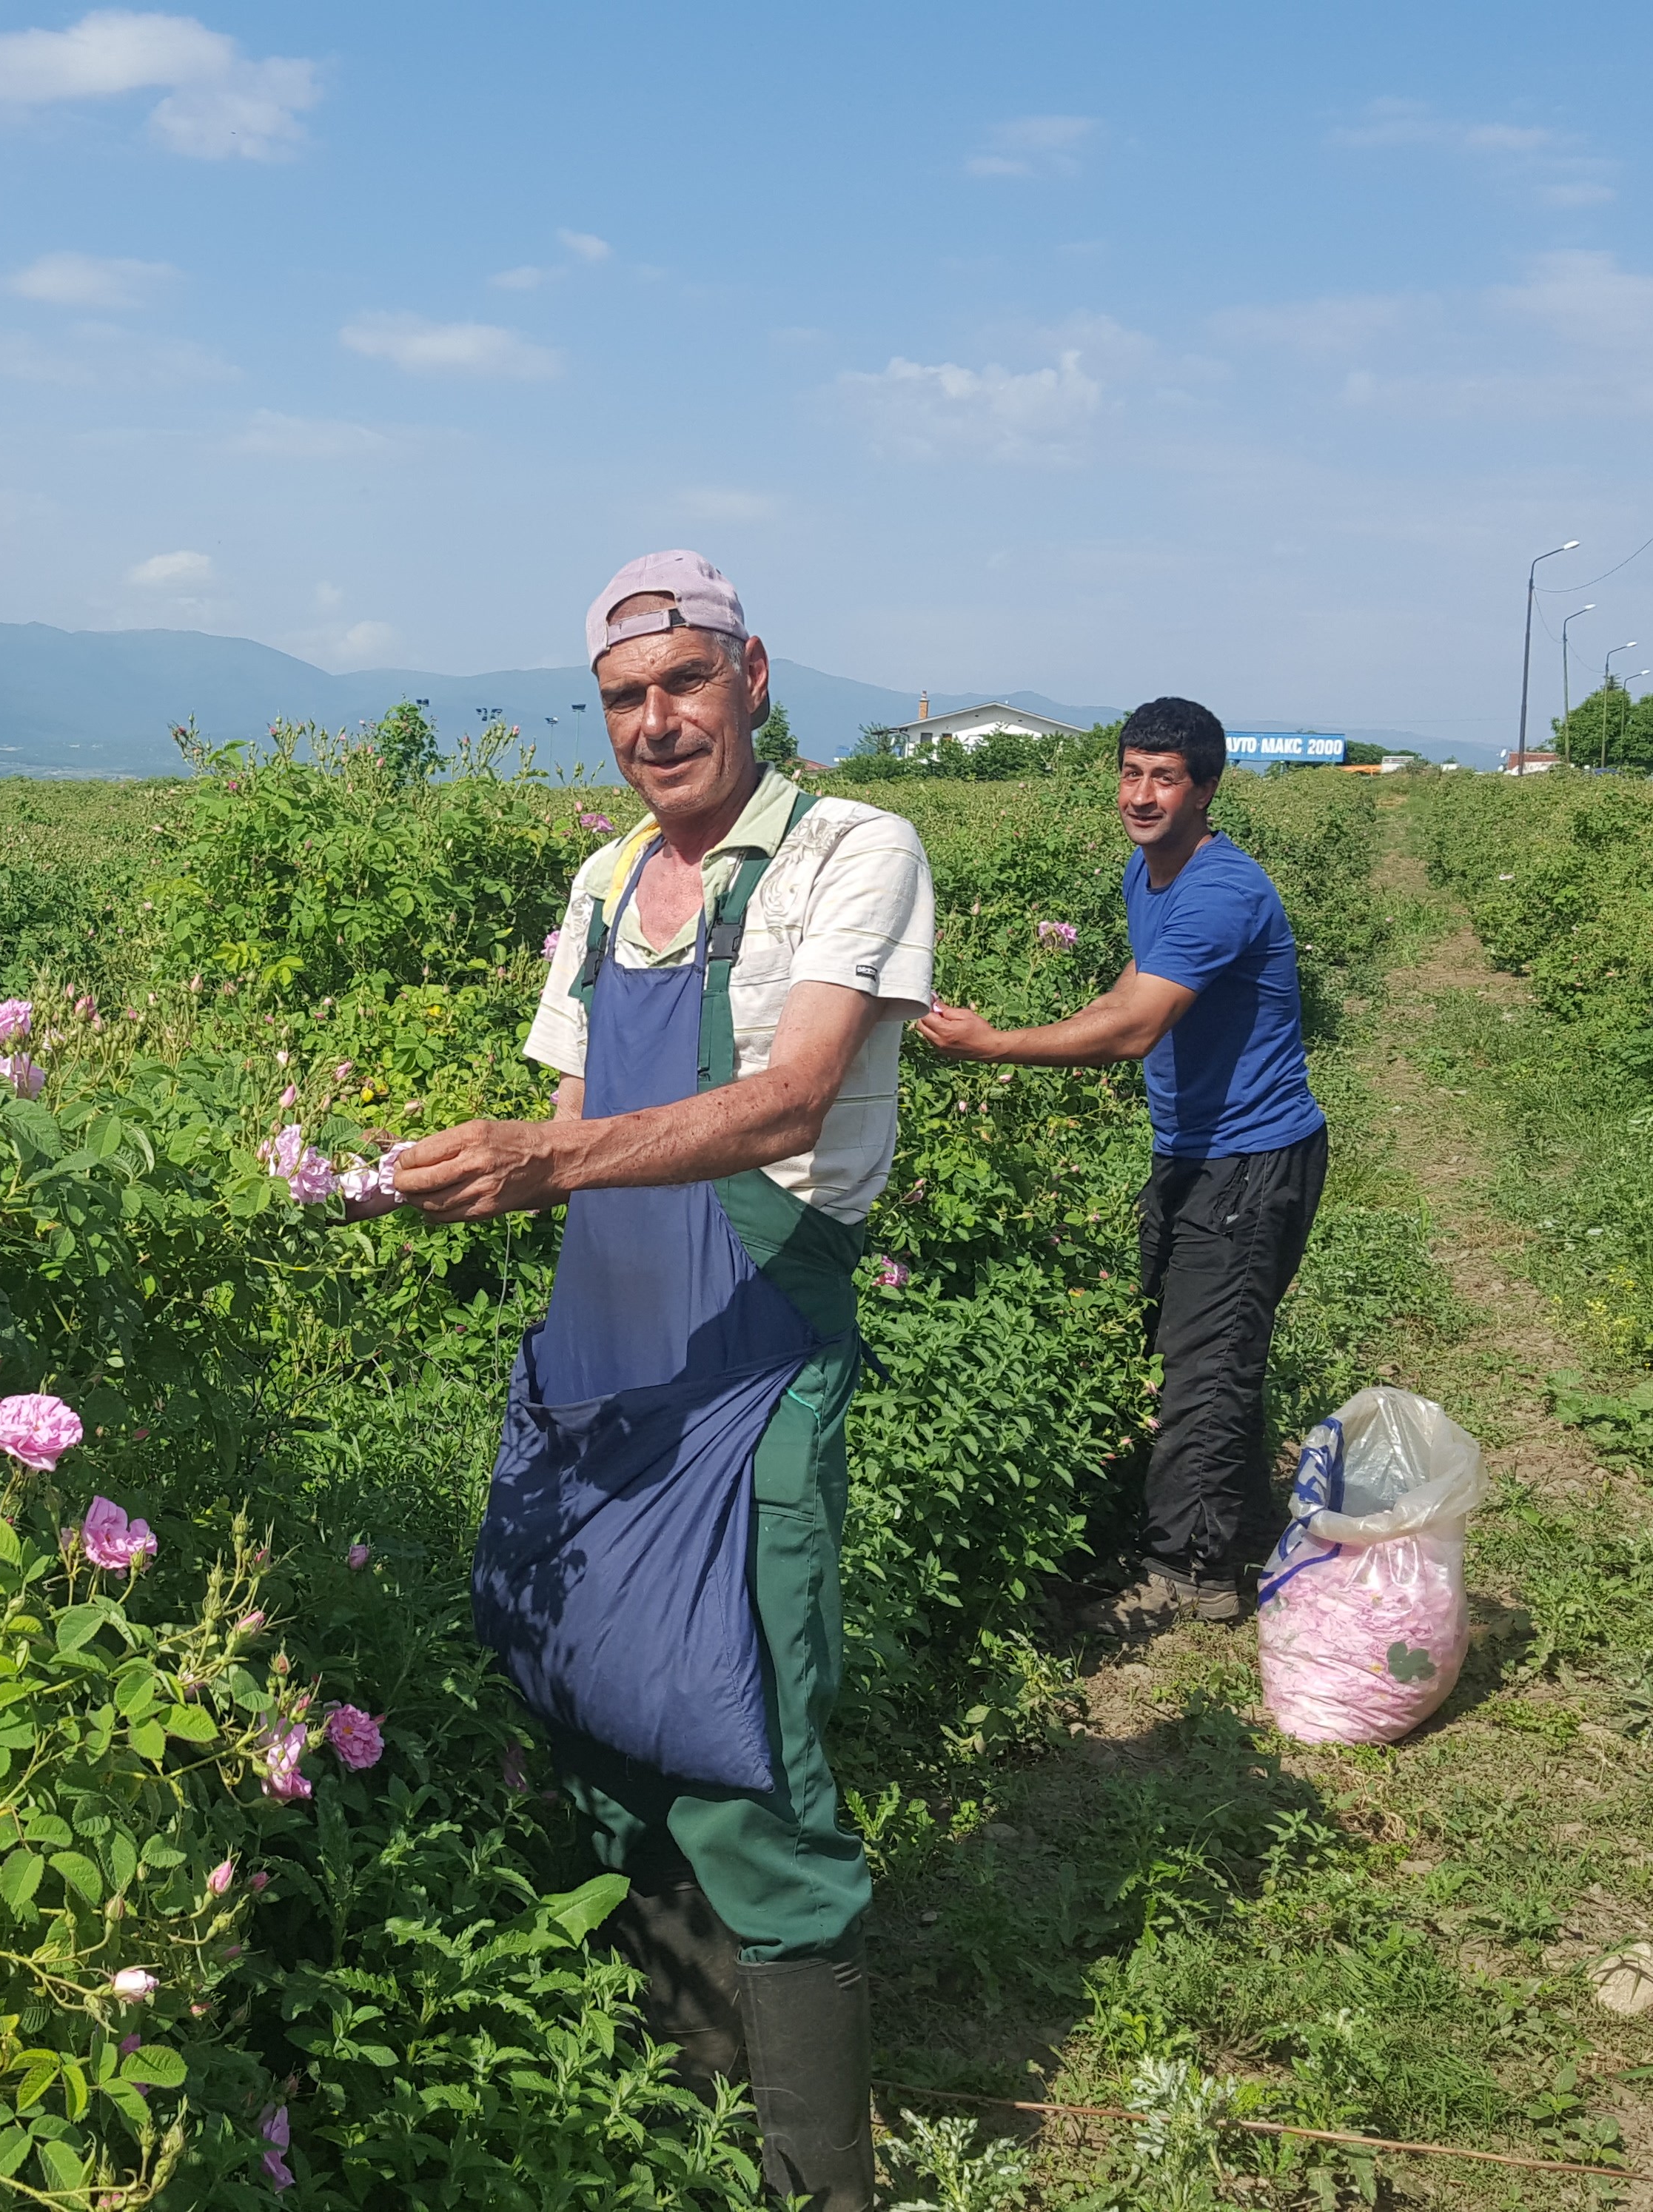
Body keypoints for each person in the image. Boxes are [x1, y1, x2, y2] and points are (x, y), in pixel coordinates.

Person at [391, 551, 933, 2209]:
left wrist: (537, 1161)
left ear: (752, 674)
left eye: (683, 683)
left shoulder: (852, 853)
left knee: (750, 1766)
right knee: (599, 1728)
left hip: (746, 1373)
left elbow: (786, 1105)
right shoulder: (604, 884)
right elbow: (571, 1118)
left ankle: (817, 2186)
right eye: (625, 698)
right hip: (598, 1369)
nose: (655, 722)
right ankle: (687, 2120)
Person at [913, 697, 1329, 1632]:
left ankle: (1190, 1576)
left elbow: (1136, 1028)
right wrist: (1043, 1031)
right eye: (1130, 773)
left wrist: (995, 1047)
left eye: (1165, 777)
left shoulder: (1221, 889)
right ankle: (1222, 1527)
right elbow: (1132, 988)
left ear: (1205, 789)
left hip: (1250, 1160)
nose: (1141, 795)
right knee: (1192, 1347)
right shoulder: (1149, 876)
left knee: (1205, 1364)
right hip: (1194, 1153)